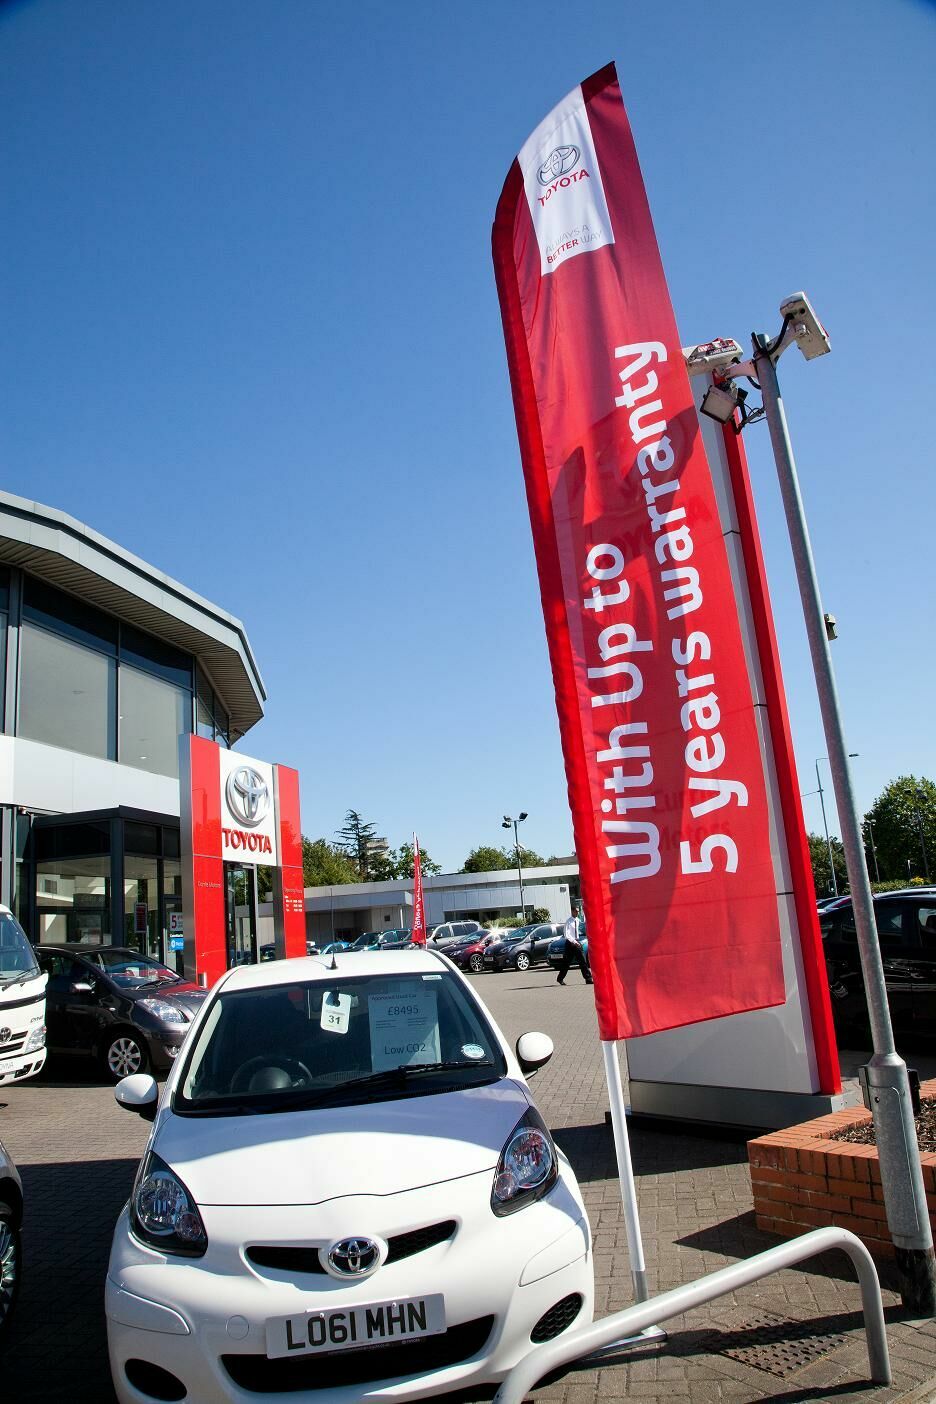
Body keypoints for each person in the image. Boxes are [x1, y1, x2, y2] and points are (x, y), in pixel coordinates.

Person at [557, 908, 591, 985]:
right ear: (572, 911)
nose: (577, 913)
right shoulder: (568, 921)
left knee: (583, 960)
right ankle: (560, 978)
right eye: (576, 911)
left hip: (576, 942)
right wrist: (573, 942)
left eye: (578, 911)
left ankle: (588, 978)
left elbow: (583, 925)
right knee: (566, 962)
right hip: (570, 943)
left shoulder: (578, 920)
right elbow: (566, 934)